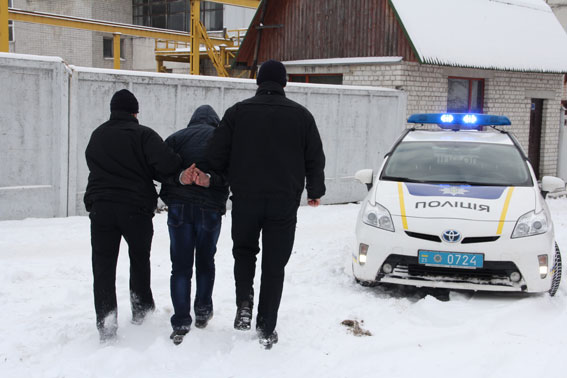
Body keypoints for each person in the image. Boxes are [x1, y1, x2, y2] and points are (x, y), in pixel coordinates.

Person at [206, 60, 326, 349]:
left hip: (246, 198)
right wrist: (315, 190)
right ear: (284, 82)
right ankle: (266, 326)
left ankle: (244, 303)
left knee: (244, 253)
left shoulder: (237, 113)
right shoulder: (302, 116)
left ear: (258, 82)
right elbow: (315, 157)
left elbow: (215, 154)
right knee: (274, 264)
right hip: (283, 203)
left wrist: (214, 175)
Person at [84, 89, 190, 343]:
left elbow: (92, 162)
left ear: (112, 110)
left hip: (102, 208)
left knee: (103, 266)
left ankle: (106, 323)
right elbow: (168, 164)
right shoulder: (143, 135)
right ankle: (141, 309)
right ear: (135, 112)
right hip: (135, 209)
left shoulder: (98, 135)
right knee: (139, 258)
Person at [160, 105, 229, 345]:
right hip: (209, 209)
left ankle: (180, 322)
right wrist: (209, 181)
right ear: (215, 122)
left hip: (179, 207)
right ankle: (202, 312)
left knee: (180, 266)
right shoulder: (223, 140)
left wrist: (181, 177)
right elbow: (234, 173)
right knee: (205, 262)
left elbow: (160, 169)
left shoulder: (176, 138)